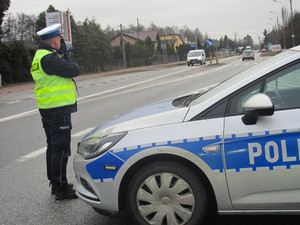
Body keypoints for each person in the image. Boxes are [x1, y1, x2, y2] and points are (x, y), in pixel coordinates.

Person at [30, 23, 80, 200]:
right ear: (54, 41)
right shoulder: (49, 58)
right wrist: (66, 54)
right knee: (60, 149)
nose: (61, 42)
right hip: (57, 110)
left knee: (53, 147)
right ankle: (61, 187)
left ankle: (55, 183)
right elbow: (74, 69)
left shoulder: (40, 56)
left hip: (48, 108)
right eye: (60, 39)